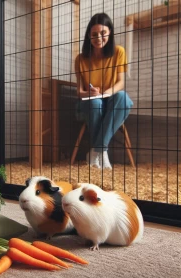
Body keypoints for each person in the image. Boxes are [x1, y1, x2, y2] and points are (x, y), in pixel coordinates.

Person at [75, 12, 133, 169]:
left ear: (110, 33)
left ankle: (96, 151)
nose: (99, 38)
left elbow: (121, 83)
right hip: (90, 103)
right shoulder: (80, 59)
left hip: (111, 99)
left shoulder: (119, 52)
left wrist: (106, 93)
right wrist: (90, 93)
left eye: (103, 33)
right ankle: (102, 151)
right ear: (88, 35)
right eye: (94, 34)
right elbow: (79, 92)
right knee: (95, 103)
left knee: (123, 97)